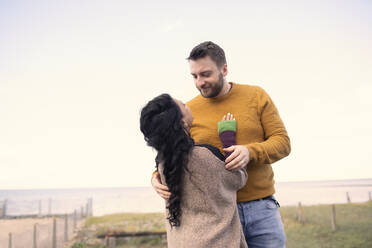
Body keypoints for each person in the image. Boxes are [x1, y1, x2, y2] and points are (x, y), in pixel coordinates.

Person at [151, 41, 291, 248]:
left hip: (261, 210)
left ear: (224, 69)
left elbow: (282, 143)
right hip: (215, 219)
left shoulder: (256, 96)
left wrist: (249, 151)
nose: (200, 82)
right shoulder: (187, 111)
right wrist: (156, 176)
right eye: (195, 76)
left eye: (206, 74)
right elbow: (172, 152)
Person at [140, 94, 248, 248]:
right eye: (183, 105)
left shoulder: (162, 164)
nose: (188, 105)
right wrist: (228, 139)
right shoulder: (204, 156)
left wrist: (153, 177)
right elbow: (238, 179)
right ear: (182, 122)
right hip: (215, 242)